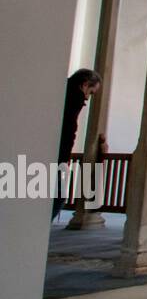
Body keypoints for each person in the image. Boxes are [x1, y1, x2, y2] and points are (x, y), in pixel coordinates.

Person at [53, 69, 102, 220]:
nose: (87, 98)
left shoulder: (60, 90)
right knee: (58, 197)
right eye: (91, 92)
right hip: (57, 156)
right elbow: (67, 131)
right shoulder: (75, 98)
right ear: (85, 85)